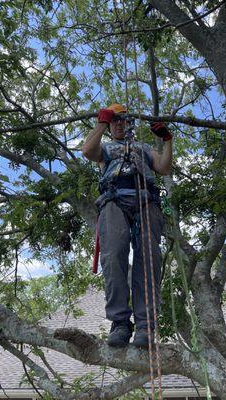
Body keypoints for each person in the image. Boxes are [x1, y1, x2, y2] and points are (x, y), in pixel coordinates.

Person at [82, 103, 173, 347]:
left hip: (146, 201)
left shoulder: (143, 148)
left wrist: (167, 140)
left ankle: (145, 325)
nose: (120, 124)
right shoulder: (106, 148)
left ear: (130, 123)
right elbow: (87, 150)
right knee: (113, 257)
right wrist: (102, 121)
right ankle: (120, 323)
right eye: (115, 121)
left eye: (123, 120)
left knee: (149, 258)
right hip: (114, 200)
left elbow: (164, 168)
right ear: (110, 125)